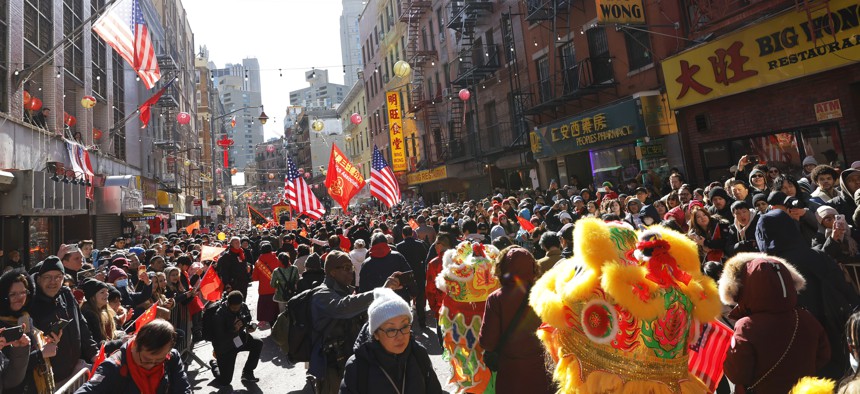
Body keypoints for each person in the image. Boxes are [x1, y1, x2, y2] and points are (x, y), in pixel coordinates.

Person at [756, 208, 860, 379]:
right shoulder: (816, 255)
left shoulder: (768, 269)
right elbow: (844, 288)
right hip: (836, 327)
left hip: (801, 340)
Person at [720, 253, 831, 393]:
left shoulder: (746, 327)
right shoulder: (805, 317)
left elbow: (738, 374)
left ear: (748, 287)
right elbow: (824, 355)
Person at [309, 251, 401, 394]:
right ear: (332, 272)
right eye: (346, 268)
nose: (351, 272)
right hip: (332, 367)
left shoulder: (347, 291)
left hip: (352, 360)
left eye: (351, 267)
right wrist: (381, 291)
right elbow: (343, 307)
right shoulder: (322, 294)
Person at [479, 247, 554, 394]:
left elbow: (487, 342)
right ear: (533, 267)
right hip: (541, 372)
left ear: (503, 267)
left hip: (510, 373)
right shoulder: (544, 294)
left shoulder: (496, 299)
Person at [339, 288, 442, 394]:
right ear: (376, 334)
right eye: (391, 330)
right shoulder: (358, 366)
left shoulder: (418, 354)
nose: (400, 336)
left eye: (405, 326)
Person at [29, 256, 99, 385]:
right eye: (47, 277)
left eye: (58, 277)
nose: (53, 281)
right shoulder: (31, 303)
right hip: (49, 378)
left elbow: (82, 325)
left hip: (74, 371)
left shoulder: (66, 294)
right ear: (39, 279)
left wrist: (93, 352)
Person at [75, 319, 192, 394]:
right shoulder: (113, 367)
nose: (151, 365)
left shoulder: (172, 357)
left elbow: (182, 388)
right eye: (146, 360)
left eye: (158, 361)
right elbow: (89, 390)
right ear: (135, 345)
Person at [212, 291, 262, 386]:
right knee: (225, 381)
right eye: (234, 308)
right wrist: (233, 329)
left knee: (258, 343)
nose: (237, 309)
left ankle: (247, 373)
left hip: (239, 339)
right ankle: (215, 365)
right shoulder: (219, 314)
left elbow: (247, 318)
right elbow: (219, 337)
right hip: (225, 347)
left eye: (239, 307)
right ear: (228, 304)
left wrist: (248, 326)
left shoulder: (243, 306)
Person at [0, 269, 37, 392]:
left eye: (23, 292)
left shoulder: (25, 317)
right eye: (13, 294)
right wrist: (40, 355)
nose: (19, 298)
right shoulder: (2, 324)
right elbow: (7, 367)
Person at [358, 234, 411, 302]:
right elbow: (409, 276)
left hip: (377, 303)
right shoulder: (398, 256)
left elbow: (363, 288)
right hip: (399, 300)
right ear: (386, 243)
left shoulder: (366, 263)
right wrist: (413, 292)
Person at [395, 227, 429, 328]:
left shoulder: (399, 247)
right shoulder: (419, 244)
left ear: (403, 234)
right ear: (412, 233)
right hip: (418, 273)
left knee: (405, 299)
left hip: (404, 275)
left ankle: (407, 324)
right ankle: (422, 322)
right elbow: (425, 259)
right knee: (420, 299)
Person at [79, 278, 118, 345]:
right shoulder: (88, 315)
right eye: (102, 292)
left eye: (107, 291)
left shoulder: (104, 311)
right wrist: (119, 342)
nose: (107, 294)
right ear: (93, 297)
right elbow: (96, 342)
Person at [251, 242, 280, 326]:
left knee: (267, 311)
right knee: (276, 309)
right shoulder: (277, 259)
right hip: (276, 288)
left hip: (264, 290)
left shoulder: (258, 262)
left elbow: (254, 278)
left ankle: (270, 325)